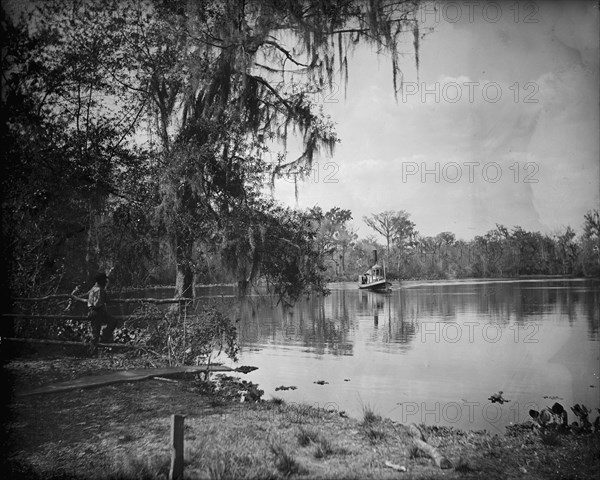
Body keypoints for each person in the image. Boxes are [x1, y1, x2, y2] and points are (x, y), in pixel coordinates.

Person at [87, 271, 117, 347]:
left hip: (92, 311)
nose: (105, 282)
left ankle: (94, 350)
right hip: (98, 311)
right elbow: (99, 303)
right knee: (113, 321)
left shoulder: (93, 289)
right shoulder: (100, 290)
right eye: (104, 280)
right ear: (101, 281)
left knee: (95, 333)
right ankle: (105, 335)